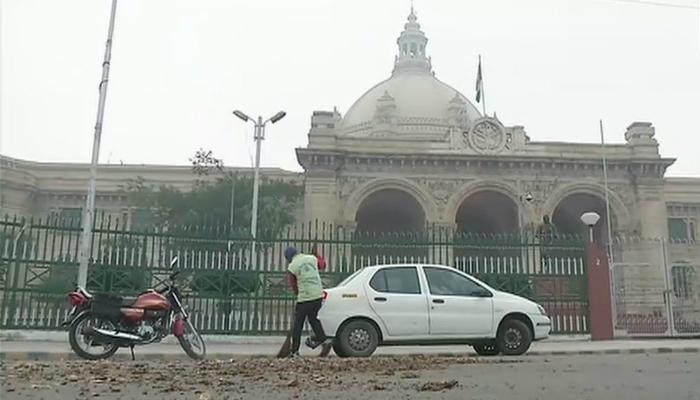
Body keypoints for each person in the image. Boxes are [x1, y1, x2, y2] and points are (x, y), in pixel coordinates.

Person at [285, 246, 330, 357]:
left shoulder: (292, 266)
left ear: (288, 258)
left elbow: (293, 284)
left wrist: (298, 294)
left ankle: (294, 351)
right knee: (313, 318)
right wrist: (317, 254)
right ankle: (322, 339)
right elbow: (323, 265)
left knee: (298, 325)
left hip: (305, 298)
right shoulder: (312, 258)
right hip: (318, 295)